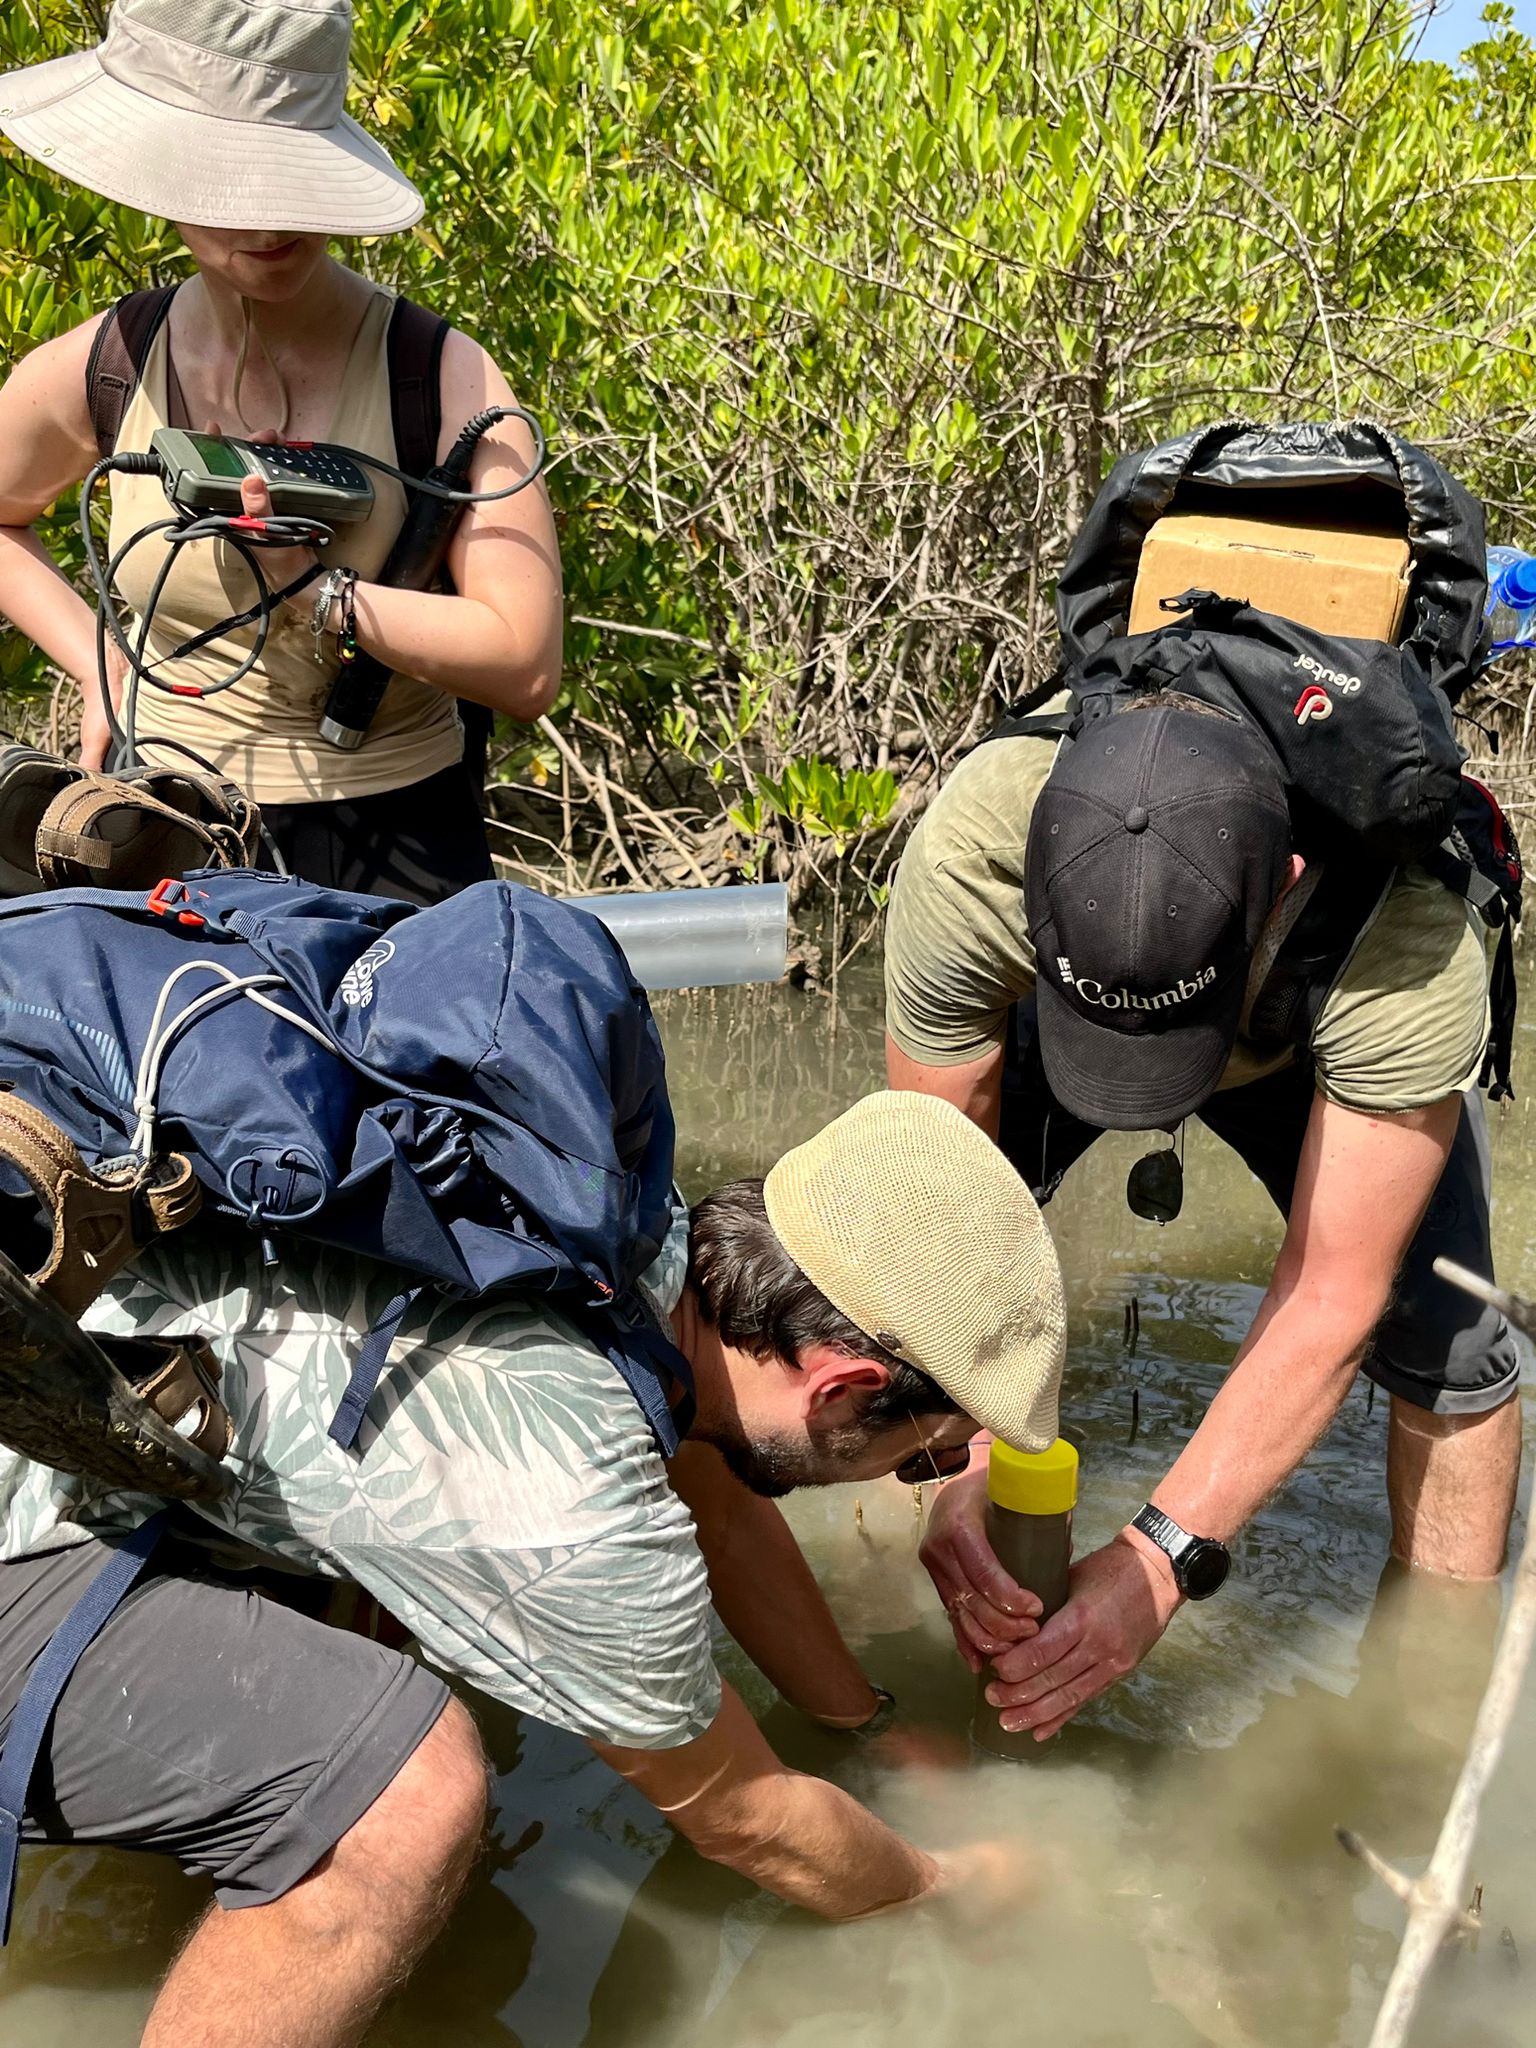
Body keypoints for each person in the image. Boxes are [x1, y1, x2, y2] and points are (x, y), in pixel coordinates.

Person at [0, 1090, 1066, 2045]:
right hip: (33, 1496)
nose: (912, 1475)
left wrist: (866, 1725)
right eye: (922, 1453)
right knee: (402, 1792)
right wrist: (946, 1882)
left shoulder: (623, 1222)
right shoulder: (585, 1514)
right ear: (842, 1389)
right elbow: (751, 1820)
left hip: (73, 1360)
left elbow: (727, 1518)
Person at [883, 690, 1522, 1742]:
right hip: (1067, 992)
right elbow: (929, 1212)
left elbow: (1331, 1293)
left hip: (1316, 1011)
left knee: (1453, 1345)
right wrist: (962, 1456)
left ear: (1284, 883)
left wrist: (1159, 1558)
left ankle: (1434, 1723)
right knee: (887, 1316)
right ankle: (905, 1655)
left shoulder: (1408, 921)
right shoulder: (974, 853)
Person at [0, 0, 562, 905]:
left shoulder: (438, 374)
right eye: (229, 179)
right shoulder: (110, 363)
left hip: (400, 851)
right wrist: (100, 668)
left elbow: (526, 662)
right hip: (167, 837)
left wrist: (317, 589)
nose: (266, 218)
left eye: (290, 173)